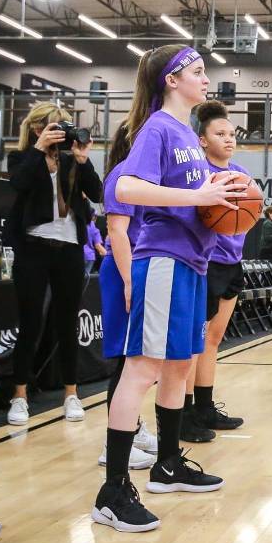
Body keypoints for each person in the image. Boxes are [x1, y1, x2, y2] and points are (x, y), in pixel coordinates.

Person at [91, 45, 246, 533]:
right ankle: (113, 490)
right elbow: (128, 189)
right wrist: (200, 194)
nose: (207, 79)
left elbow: (198, 203)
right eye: (198, 72)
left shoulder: (187, 137)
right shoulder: (157, 127)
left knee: (179, 364)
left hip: (194, 263)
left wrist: (222, 198)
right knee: (142, 369)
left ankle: (168, 463)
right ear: (172, 80)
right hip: (162, 259)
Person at [4, 102, 102, 426]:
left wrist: (83, 160)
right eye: (54, 126)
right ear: (37, 129)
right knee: (30, 323)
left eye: (65, 125)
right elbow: (18, 184)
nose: (62, 132)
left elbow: (97, 192)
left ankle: (71, 394)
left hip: (70, 249)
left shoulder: (71, 160)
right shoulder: (21, 158)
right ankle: (19, 395)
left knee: (67, 323)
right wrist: (38, 150)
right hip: (34, 248)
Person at [95, 157, 157, 472]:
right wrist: (130, 279)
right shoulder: (122, 175)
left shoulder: (150, 176)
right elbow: (117, 232)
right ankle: (114, 443)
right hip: (123, 269)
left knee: (139, 359)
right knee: (123, 359)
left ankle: (133, 426)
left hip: (140, 266)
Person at [190, 100, 247, 434]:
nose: (229, 139)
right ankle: (186, 414)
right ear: (202, 139)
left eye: (232, 133)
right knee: (195, 342)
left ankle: (205, 408)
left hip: (232, 263)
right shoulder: (199, 175)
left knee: (213, 340)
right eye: (220, 133)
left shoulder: (241, 173)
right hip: (206, 263)